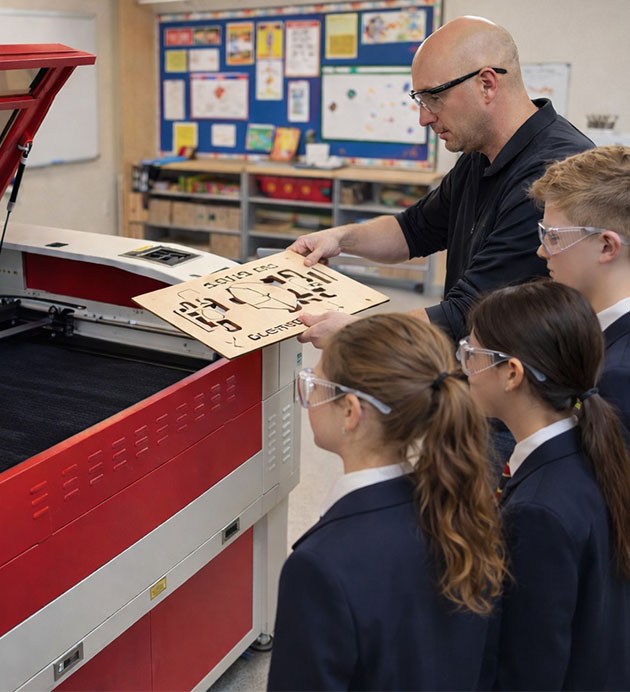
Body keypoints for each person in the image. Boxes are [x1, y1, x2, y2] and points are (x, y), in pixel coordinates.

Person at [289, 16, 592, 347]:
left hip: (520, 381)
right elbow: (413, 229)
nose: (424, 117)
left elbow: (469, 314)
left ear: (487, 84)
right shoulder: (479, 154)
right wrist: (339, 237)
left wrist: (356, 335)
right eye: (419, 100)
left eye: (434, 97)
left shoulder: (552, 172)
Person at [267, 314, 506, 691]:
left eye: (313, 384)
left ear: (350, 411)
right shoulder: (462, 511)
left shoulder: (318, 567)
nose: (308, 395)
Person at [461, 280, 630, 690]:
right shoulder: (591, 449)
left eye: (472, 353)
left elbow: (529, 668)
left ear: (512, 373)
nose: (464, 363)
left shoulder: (538, 512)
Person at [529, 145, 630, 435]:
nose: (541, 251)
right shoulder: (597, 333)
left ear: (607, 246)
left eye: (553, 237)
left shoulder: (618, 375)